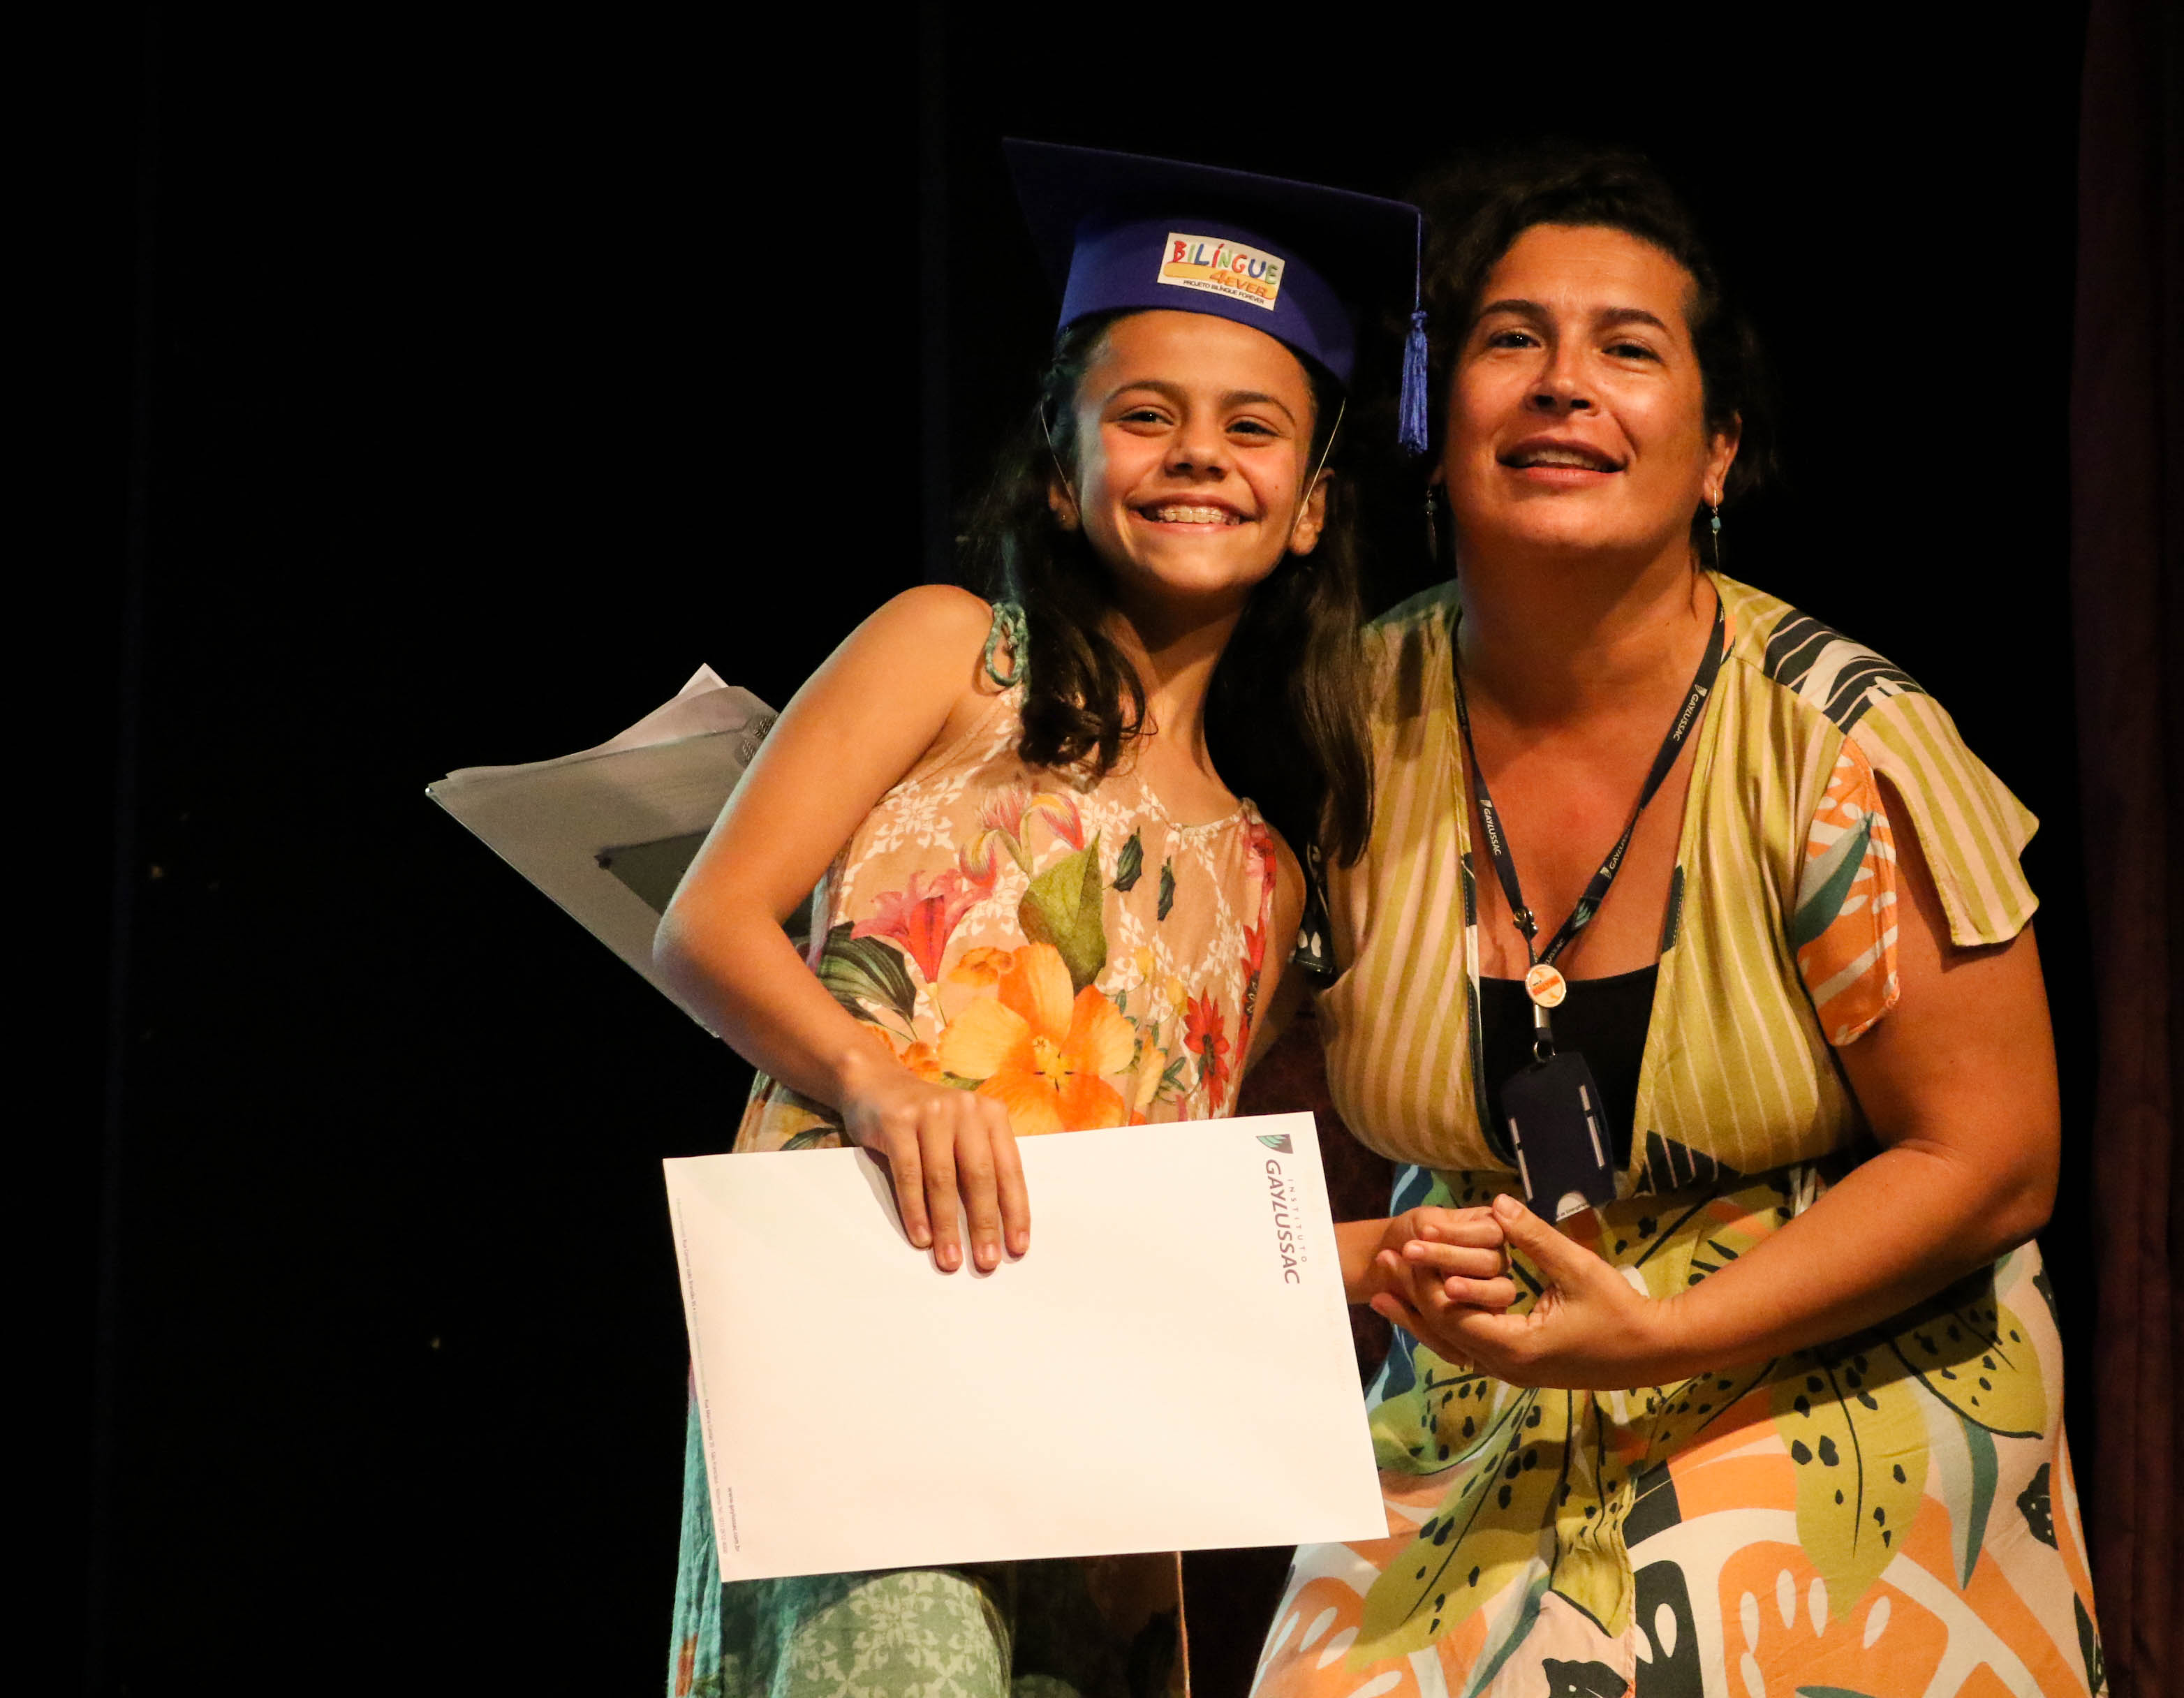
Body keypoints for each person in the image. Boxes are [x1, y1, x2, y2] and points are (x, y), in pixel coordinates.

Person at [650, 142, 1503, 1698]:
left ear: (1313, 506)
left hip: (1090, 1441)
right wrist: (874, 1079)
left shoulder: (1271, 875)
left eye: (1253, 427)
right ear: (1061, 466)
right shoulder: (953, 659)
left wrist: (1376, 1258)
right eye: (1146, 416)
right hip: (873, 1352)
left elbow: (1158, 1218)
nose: (1199, 456)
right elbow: (705, 924)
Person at [1253, 145, 2104, 1698]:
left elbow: (1991, 1154)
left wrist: (1654, 1333)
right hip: (1473, 1393)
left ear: (1717, 456)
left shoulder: (1837, 741)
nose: (1563, 382)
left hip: (1830, 1371)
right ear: (1438, 433)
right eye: (1514, 339)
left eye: (1627, 349)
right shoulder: (1340, 731)